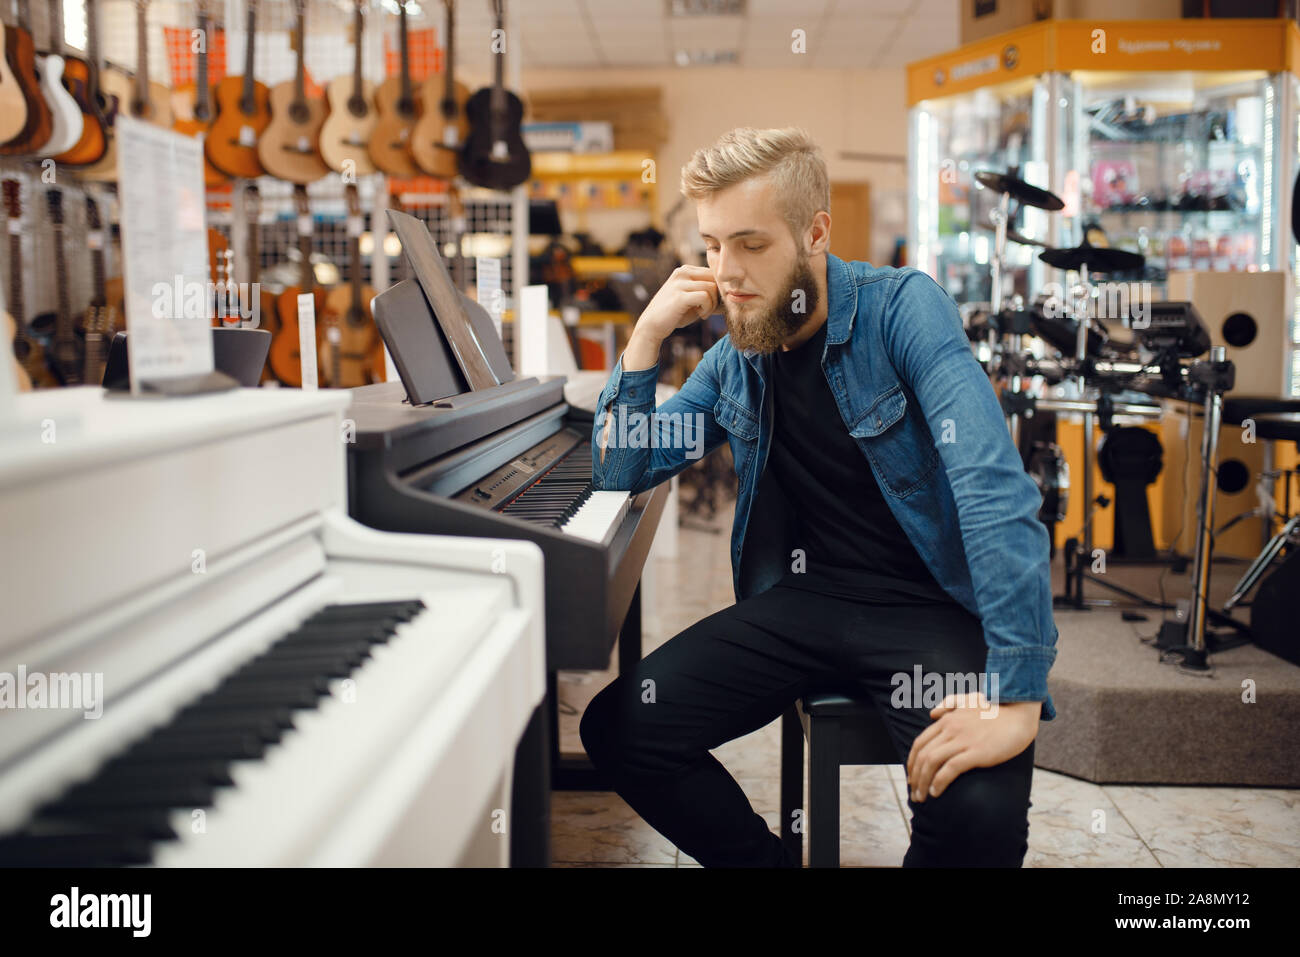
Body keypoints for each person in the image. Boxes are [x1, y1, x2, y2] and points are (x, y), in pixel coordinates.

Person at [581, 127, 1058, 868]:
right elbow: (622, 471)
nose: (727, 272)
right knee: (621, 728)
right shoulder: (735, 357)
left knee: (979, 819)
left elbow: (993, 486)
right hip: (802, 604)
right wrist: (643, 340)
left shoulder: (904, 309)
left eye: (751, 244)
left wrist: (1018, 694)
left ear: (816, 232)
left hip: (926, 609)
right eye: (711, 245)